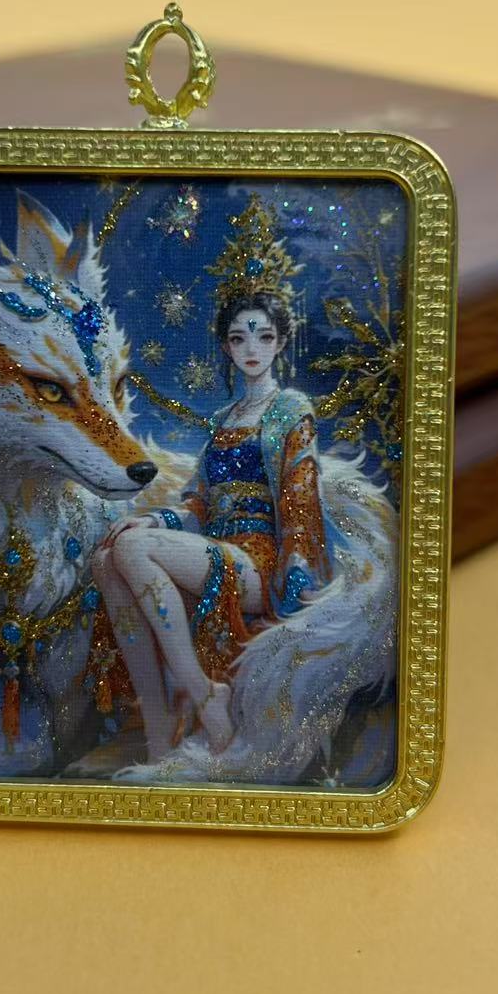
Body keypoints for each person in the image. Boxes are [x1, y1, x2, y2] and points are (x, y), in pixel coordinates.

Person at [91, 286, 331, 759]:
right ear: (226, 346)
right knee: (106, 559)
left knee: (132, 549)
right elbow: (199, 506)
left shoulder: (291, 409)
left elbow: (300, 501)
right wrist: (153, 520)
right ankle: (158, 721)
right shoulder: (223, 420)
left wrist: (297, 578)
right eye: (239, 339)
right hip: (213, 551)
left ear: (281, 342)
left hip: (259, 563)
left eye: (264, 337)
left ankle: (203, 693)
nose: (252, 349)